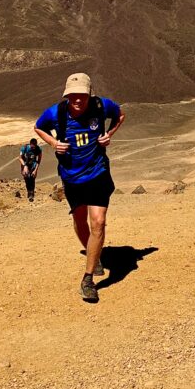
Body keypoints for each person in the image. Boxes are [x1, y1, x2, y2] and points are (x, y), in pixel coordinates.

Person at [34, 72, 125, 303]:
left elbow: (120, 115)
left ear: (89, 94)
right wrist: (54, 143)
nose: (77, 100)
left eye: (82, 96)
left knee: (99, 222)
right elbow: (38, 127)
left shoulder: (102, 106)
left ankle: (87, 279)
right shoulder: (56, 113)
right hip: (72, 177)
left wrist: (109, 134)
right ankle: (93, 255)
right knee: (79, 220)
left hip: (98, 172)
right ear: (66, 95)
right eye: (73, 96)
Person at [18, 137, 42, 201]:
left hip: (33, 165)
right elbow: (20, 158)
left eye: (34, 147)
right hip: (25, 164)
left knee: (32, 178)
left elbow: (39, 160)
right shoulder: (24, 148)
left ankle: (31, 194)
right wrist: (24, 166)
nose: (33, 148)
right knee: (26, 178)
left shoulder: (38, 149)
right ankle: (29, 192)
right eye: (32, 147)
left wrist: (35, 170)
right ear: (30, 144)